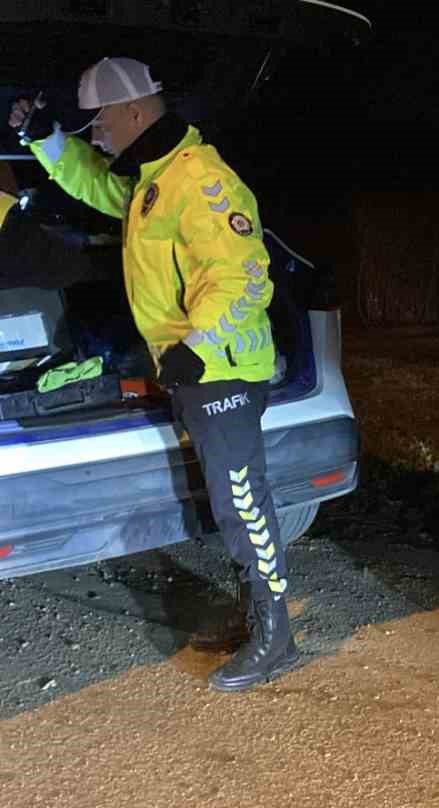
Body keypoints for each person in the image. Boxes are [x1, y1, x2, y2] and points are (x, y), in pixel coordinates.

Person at [9, 57, 296, 692]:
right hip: (195, 369)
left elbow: (245, 273)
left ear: (135, 113)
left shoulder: (201, 181)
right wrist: (47, 142)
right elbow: (97, 188)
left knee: (242, 502)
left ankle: (278, 635)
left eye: (99, 123)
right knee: (229, 499)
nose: (96, 136)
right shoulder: (153, 181)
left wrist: (197, 345)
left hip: (221, 369)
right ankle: (257, 617)